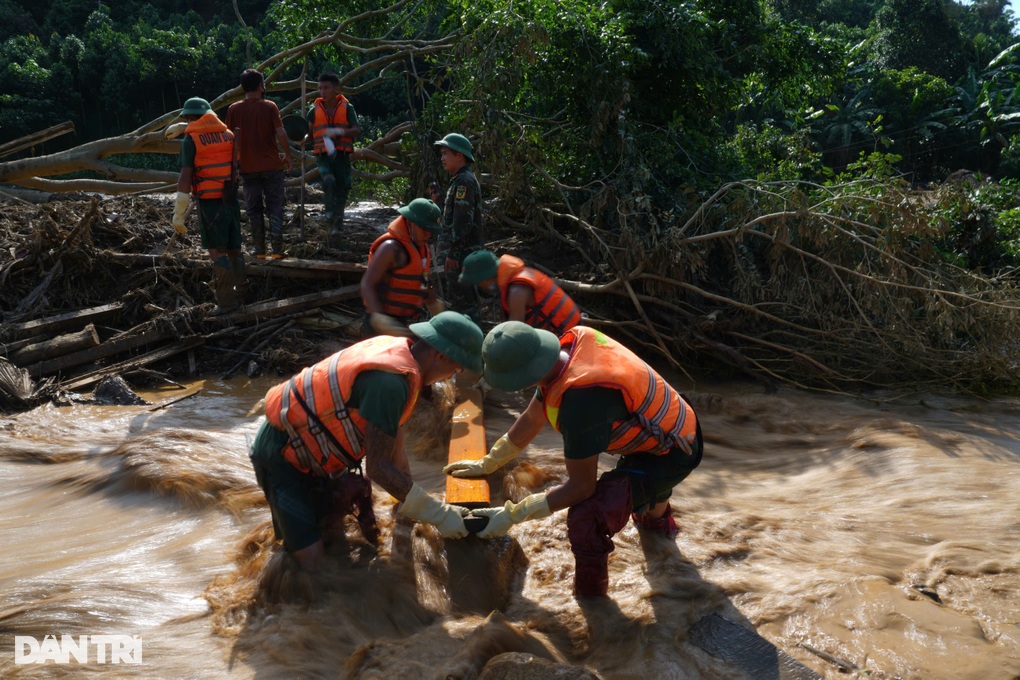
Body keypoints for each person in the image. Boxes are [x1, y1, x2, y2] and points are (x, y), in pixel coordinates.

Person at [445, 322, 703, 598]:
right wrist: (490, 461)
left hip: (673, 451)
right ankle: (665, 546)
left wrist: (512, 515)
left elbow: (581, 487)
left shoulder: (581, 402)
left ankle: (593, 603)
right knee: (643, 508)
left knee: (586, 517)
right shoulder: (571, 348)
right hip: (672, 426)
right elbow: (532, 418)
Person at [250, 311, 484, 572]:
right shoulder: (389, 383)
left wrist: (408, 507)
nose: (452, 376)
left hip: (315, 452)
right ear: (440, 355)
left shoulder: (403, 359)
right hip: (283, 454)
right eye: (456, 368)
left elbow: (394, 442)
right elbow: (379, 468)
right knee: (312, 564)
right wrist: (438, 514)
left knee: (334, 542)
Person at [171, 97, 244, 315]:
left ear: (189, 117)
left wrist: (179, 211)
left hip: (209, 202)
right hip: (230, 199)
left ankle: (226, 303)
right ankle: (242, 295)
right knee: (234, 249)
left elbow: (185, 176)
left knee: (216, 251)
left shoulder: (191, 140)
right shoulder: (229, 135)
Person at [225, 68, 292, 259]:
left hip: (247, 168)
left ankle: (259, 250)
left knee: (254, 208)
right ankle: (277, 250)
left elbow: (230, 139)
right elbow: (281, 133)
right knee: (275, 206)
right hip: (271, 166)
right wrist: (287, 155)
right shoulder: (270, 107)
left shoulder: (234, 109)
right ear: (261, 86)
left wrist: (232, 166)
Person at [361, 198, 445, 338]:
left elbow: (422, 280)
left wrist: (433, 302)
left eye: (431, 230)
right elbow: (367, 284)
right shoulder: (391, 248)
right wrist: (378, 317)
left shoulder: (423, 250)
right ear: (410, 222)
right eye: (424, 229)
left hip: (404, 322)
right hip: (380, 325)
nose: (428, 234)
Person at [459, 250, 582, 335]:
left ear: (486, 280)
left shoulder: (517, 291)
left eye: (478, 283)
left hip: (568, 336)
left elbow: (514, 332)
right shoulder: (514, 279)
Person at [428, 133, 483, 313]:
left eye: (445, 153)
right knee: (460, 302)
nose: (442, 158)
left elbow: (462, 221)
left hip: (460, 258)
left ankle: (469, 339)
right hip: (459, 256)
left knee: (465, 305)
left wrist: (453, 252)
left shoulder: (464, 182)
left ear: (459, 155)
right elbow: (456, 214)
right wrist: (439, 200)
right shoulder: (459, 181)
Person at [307, 71, 362, 249]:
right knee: (327, 178)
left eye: (326, 88)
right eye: (320, 88)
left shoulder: (348, 108)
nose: (322, 92)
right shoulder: (313, 110)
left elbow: (356, 130)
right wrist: (301, 137)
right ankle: (329, 215)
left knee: (342, 189)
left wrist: (339, 132)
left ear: (335, 88)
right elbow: (309, 134)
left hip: (341, 155)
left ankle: (336, 228)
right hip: (323, 155)